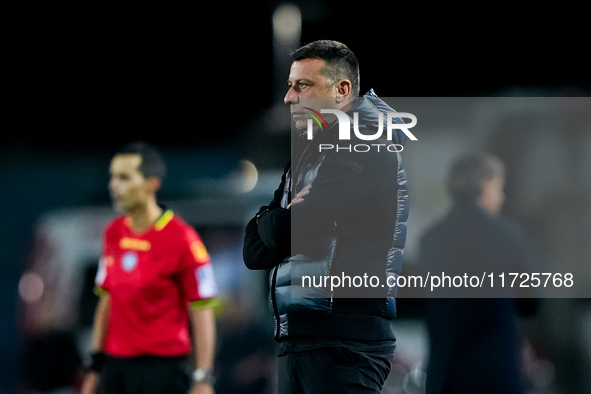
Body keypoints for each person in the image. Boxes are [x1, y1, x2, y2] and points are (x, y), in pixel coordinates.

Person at [243, 40, 410, 393]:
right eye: (290, 85)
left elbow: (286, 232)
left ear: (342, 90)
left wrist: (280, 218)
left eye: (303, 85)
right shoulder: (313, 149)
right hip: (302, 340)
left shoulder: (366, 144)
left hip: (343, 343)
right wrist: (281, 217)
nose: (290, 97)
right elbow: (254, 252)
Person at [81, 142, 219, 394]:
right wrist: (94, 368)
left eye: (124, 177)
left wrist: (203, 378)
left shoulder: (182, 238)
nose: (113, 185)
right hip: (116, 371)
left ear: (151, 183)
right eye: (112, 176)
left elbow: (202, 309)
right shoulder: (113, 233)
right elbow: (107, 301)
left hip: (162, 373)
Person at [419, 153, 538, 394]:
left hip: (446, 374)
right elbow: (532, 301)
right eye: (499, 187)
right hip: (496, 372)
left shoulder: (430, 240)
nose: (501, 196)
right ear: (485, 186)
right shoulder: (508, 236)